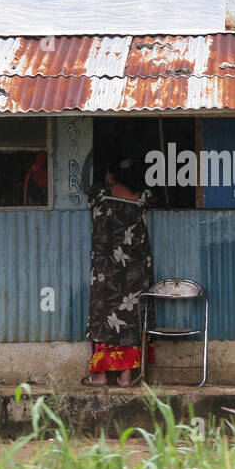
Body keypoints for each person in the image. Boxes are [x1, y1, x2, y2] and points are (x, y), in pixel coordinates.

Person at [84, 159, 154, 387]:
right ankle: (126, 376)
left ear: (111, 175)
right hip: (136, 269)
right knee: (130, 320)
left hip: (107, 270)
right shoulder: (143, 198)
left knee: (105, 317)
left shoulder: (100, 195)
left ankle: (101, 375)